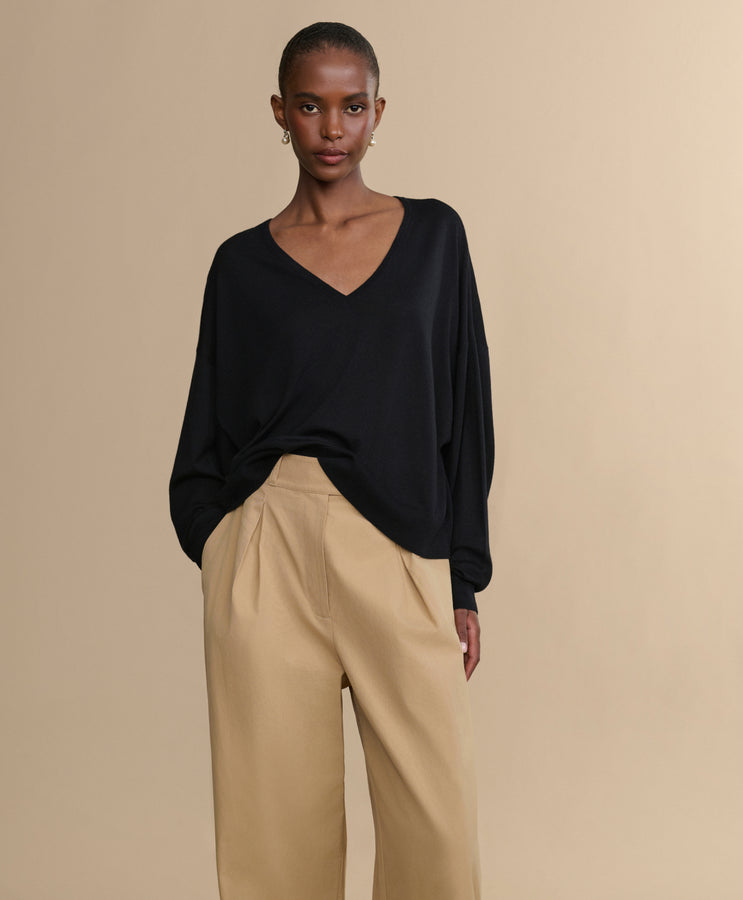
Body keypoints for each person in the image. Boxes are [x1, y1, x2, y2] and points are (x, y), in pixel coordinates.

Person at [169, 21, 494, 900]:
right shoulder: (241, 266)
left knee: (437, 834)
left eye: (353, 106)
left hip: (400, 547)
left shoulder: (434, 237)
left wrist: (462, 578)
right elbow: (206, 432)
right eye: (311, 106)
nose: (333, 128)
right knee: (274, 844)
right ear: (281, 112)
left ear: (379, 112)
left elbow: (465, 411)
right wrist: (222, 547)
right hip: (267, 551)